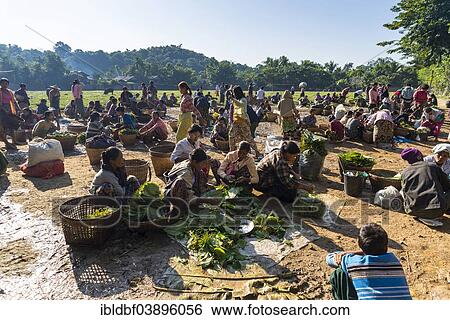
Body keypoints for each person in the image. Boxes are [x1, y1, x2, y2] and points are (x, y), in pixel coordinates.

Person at [326, 223, 411, 300]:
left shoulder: (353, 262)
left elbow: (329, 258)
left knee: (339, 273)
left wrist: (347, 253)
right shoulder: (394, 261)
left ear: (360, 244)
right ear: (386, 244)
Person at [401, 147, 450, 227]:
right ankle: (430, 215)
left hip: (411, 210)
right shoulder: (432, 166)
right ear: (420, 156)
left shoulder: (405, 172)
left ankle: (424, 214)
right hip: (435, 210)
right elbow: (447, 186)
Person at [228, 86, 259, 155]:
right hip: (236, 120)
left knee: (248, 137)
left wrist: (233, 99)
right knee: (231, 136)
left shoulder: (243, 99)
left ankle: (257, 152)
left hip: (242, 120)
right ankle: (231, 151)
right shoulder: (237, 99)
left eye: (234, 92)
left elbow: (241, 105)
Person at [0, 78, 20, 150]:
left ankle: (14, 141)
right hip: (1, 110)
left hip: (9, 109)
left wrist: (18, 108)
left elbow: (14, 101)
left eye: (6, 83)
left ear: (8, 84)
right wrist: (4, 110)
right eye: (3, 83)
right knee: (2, 127)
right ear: (1, 84)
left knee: (12, 126)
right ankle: (6, 143)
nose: (4, 85)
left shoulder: (10, 92)